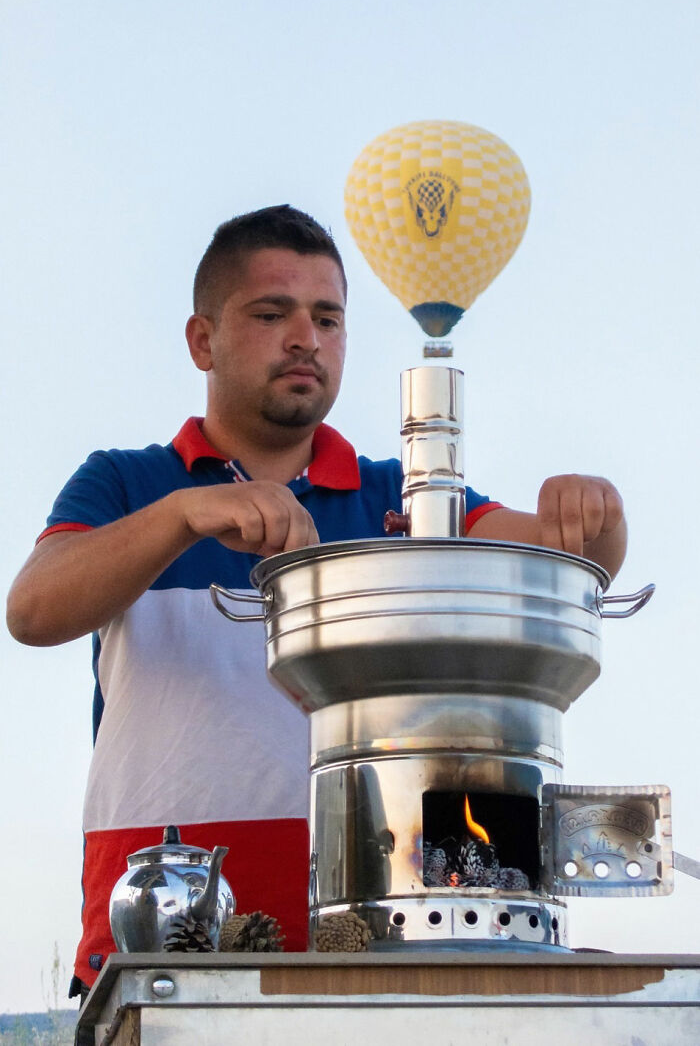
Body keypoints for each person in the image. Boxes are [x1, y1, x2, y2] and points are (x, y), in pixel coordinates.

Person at [6, 205, 627, 999]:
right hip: (162, 940)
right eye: (273, 313)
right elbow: (32, 609)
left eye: (327, 318)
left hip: (365, 945)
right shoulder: (127, 483)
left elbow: (566, 557)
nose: (306, 337)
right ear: (203, 340)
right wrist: (182, 515)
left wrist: (599, 515)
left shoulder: (398, 499)